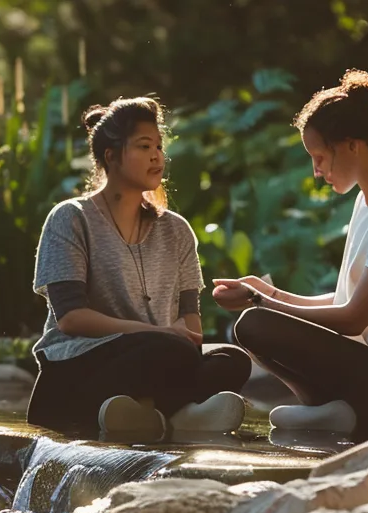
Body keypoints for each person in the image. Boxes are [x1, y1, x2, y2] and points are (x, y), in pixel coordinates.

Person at [213, 70, 368, 440]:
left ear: (351, 145)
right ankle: (335, 411)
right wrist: (270, 295)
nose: (316, 171)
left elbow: (352, 319)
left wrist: (261, 302)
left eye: (319, 157)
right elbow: (347, 299)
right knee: (254, 326)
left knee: (255, 322)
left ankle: (347, 412)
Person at [26, 96, 251, 443]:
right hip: (80, 370)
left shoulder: (176, 230)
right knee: (167, 349)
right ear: (111, 156)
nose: (157, 156)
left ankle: (148, 415)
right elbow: (70, 317)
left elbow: (190, 318)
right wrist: (155, 333)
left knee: (232, 359)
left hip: (158, 357)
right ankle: (178, 414)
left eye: (159, 146)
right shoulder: (71, 218)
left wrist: (180, 335)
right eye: (144, 146)